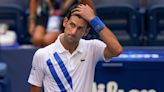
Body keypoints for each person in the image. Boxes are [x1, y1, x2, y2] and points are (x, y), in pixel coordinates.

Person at [28, 3, 123, 92]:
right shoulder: (42, 55)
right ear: (65, 22)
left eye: (80, 28)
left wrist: (94, 19)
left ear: (86, 31)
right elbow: (35, 88)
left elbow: (117, 50)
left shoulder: (92, 47)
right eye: (72, 25)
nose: (73, 32)